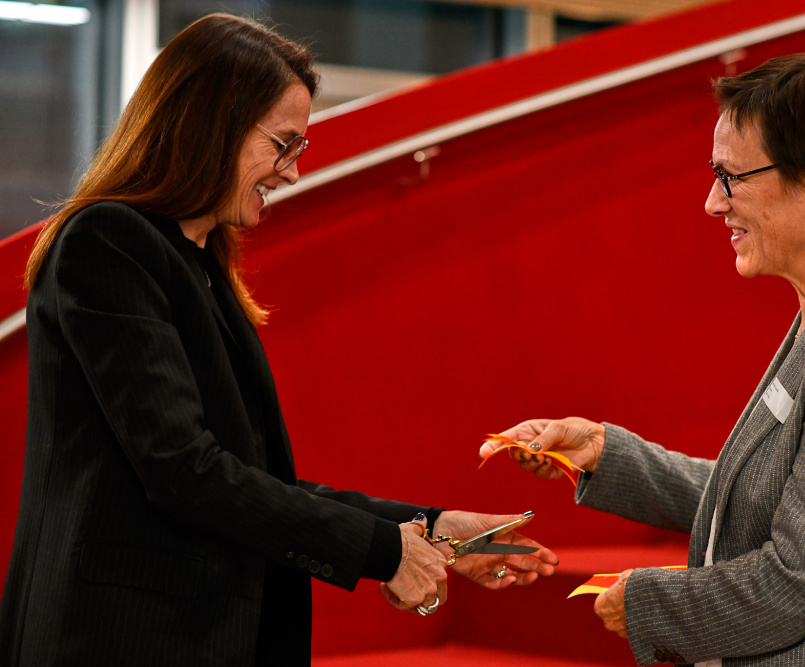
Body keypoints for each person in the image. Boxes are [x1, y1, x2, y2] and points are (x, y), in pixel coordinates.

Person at [0, 13, 556, 666]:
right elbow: (186, 470)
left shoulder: (199, 262)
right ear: (212, 124)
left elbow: (255, 479)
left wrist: (431, 527)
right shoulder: (109, 243)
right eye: (283, 144)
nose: (291, 173)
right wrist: (382, 552)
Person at [483, 52, 805, 666]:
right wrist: (606, 453)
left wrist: (648, 604)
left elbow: (799, 578)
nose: (714, 202)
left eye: (732, 177)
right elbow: (778, 496)